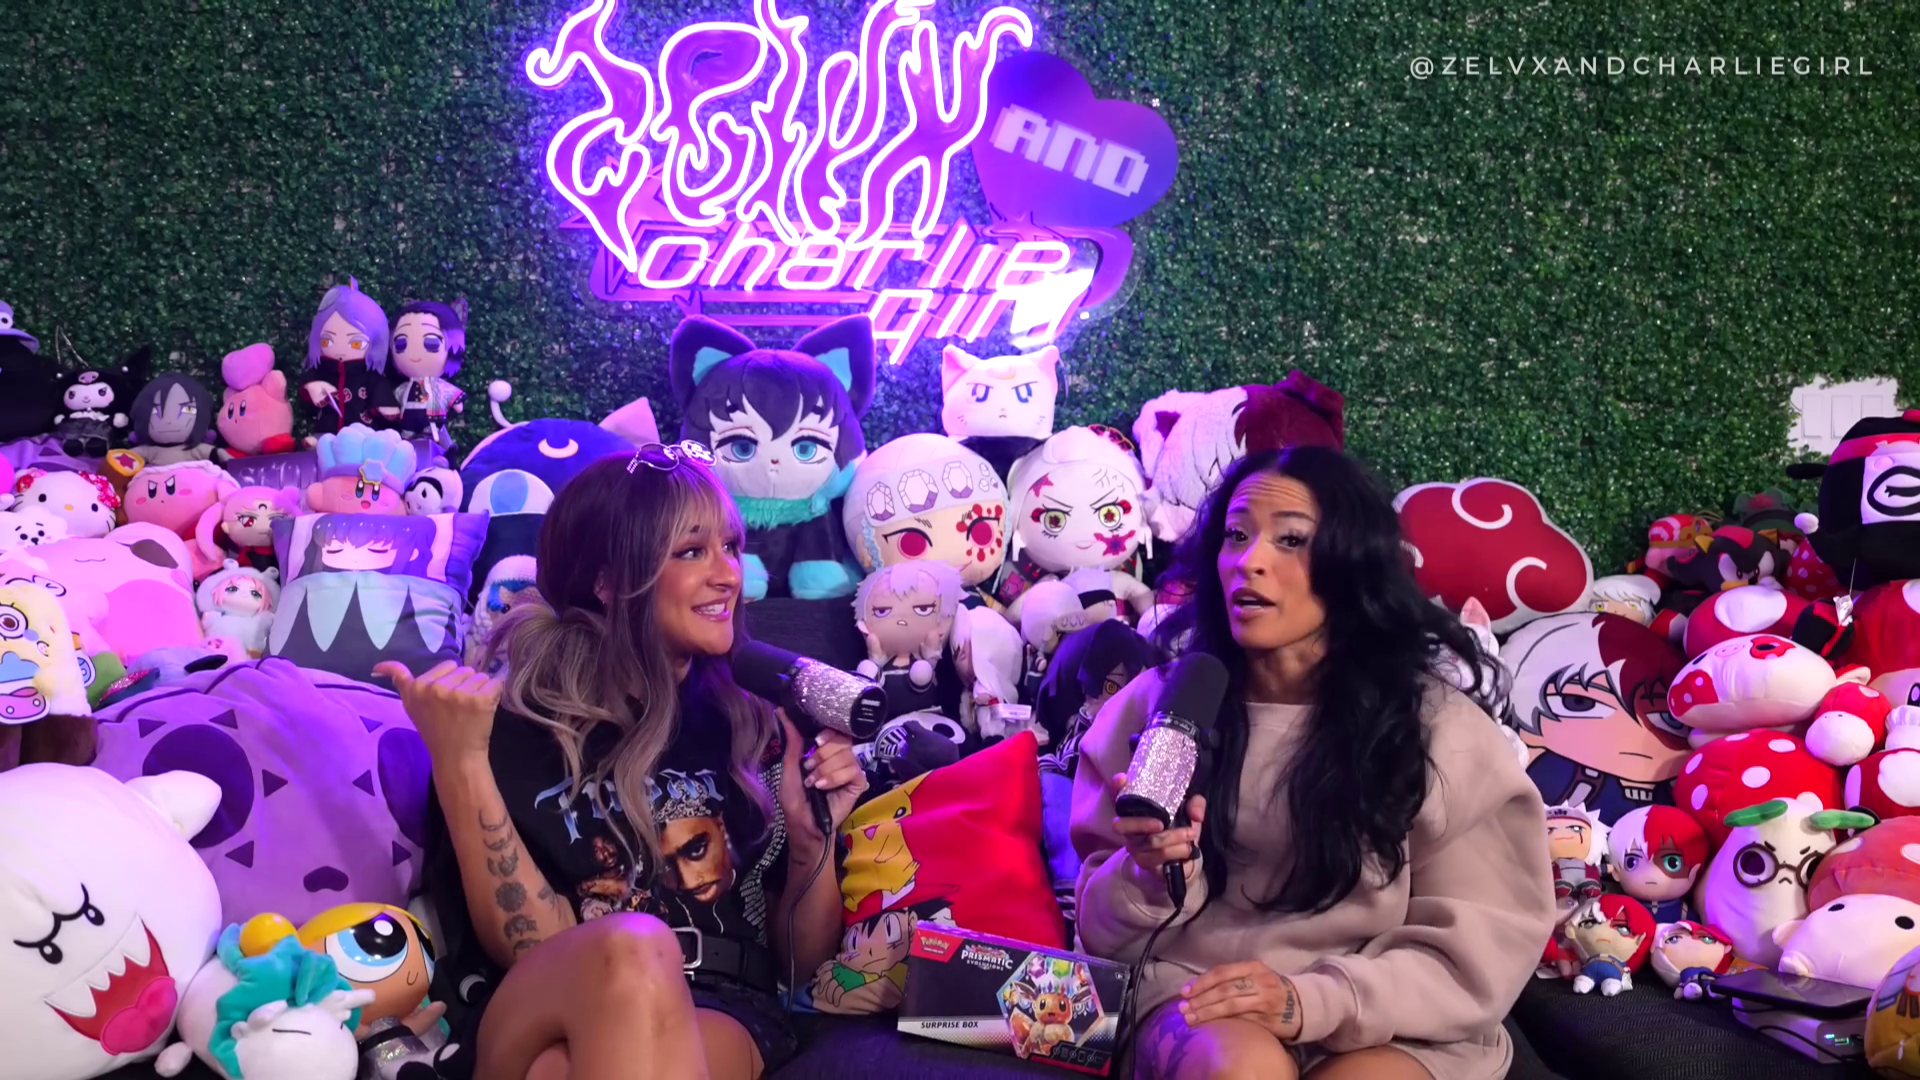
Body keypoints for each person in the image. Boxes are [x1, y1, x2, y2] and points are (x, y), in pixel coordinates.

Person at [382, 443, 867, 1080]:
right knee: (634, 951)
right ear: (607, 582)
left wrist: (810, 842)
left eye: (729, 546)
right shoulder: (514, 727)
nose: (728, 574)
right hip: (542, 995)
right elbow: (529, 947)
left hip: (722, 1004)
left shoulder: (756, 726)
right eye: (691, 552)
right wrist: (461, 764)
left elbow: (803, 967)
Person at [1071, 446, 1556, 1080]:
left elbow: (1479, 941)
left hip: (1386, 1011)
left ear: (1353, 564)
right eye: (1236, 536)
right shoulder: (1155, 707)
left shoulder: (1440, 732)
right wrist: (1146, 875)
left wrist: (1309, 1001)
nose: (1250, 561)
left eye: (1292, 540)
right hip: (1197, 997)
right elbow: (1099, 935)